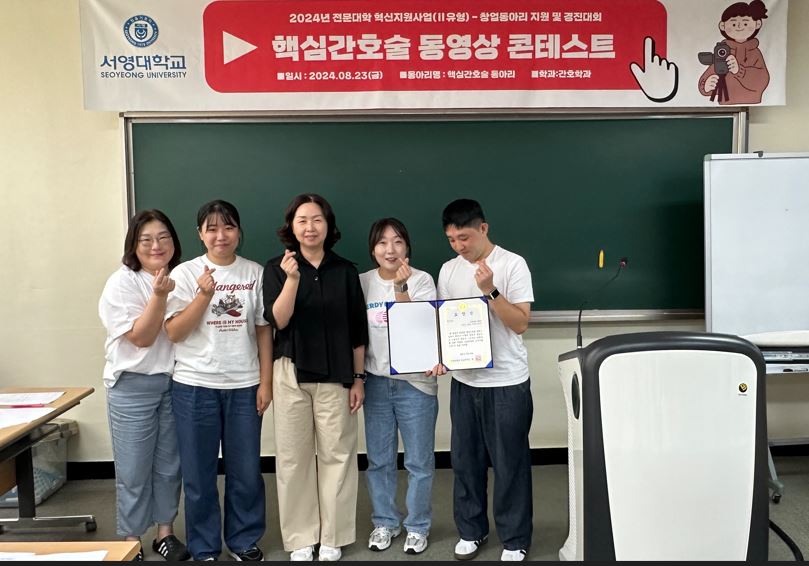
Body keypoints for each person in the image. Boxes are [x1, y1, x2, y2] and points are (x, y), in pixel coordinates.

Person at [263, 193, 368, 562]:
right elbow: (278, 320)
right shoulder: (276, 268)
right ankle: (301, 537)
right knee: (293, 458)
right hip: (290, 371)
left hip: (337, 373)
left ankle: (332, 536)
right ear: (291, 227)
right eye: (302, 220)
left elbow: (358, 330)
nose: (310, 227)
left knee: (338, 455)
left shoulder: (345, 271)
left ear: (328, 225)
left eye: (317, 219)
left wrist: (359, 378)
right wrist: (292, 279)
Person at [164, 200, 272, 561]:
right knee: (199, 474)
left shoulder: (254, 273)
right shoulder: (184, 273)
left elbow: (263, 331)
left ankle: (243, 540)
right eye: (211, 228)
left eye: (228, 227)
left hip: (244, 385)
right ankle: (204, 546)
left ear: (239, 231)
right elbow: (175, 332)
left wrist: (266, 383)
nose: (220, 235)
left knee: (246, 471)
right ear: (200, 234)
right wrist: (204, 296)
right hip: (195, 385)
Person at [435, 199, 534, 562]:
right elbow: (445, 322)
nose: (459, 246)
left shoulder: (512, 264)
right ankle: (471, 531)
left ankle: (515, 538)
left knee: (510, 463)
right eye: (451, 240)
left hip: (506, 382)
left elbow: (520, 323)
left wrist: (490, 290)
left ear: (483, 229)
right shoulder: (448, 270)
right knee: (465, 462)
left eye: (464, 237)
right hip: (465, 382)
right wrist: (442, 357)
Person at [98, 209, 190, 562]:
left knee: (169, 465)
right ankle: (131, 538)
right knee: (134, 468)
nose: (156, 246)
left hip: (174, 382)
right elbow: (142, 337)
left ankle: (165, 533)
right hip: (132, 386)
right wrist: (159, 296)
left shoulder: (182, 276)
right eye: (146, 239)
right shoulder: (121, 283)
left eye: (164, 237)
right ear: (133, 245)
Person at [359, 218, 438, 555]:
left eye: (397, 242)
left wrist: (401, 289)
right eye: (382, 242)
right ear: (373, 248)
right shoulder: (362, 282)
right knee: (379, 460)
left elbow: (417, 330)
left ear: (407, 246)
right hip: (376, 382)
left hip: (415, 384)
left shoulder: (422, 280)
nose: (390, 250)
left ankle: (417, 526)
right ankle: (385, 522)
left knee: (419, 462)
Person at [698, 0, 770, 105]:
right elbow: (711, 74)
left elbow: (762, 79)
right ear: (722, 26)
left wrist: (739, 71)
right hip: (725, 105)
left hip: (752, 103)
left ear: (757, 24)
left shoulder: (754, 52)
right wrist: (706, 86)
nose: (739, 27)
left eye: (745, 23)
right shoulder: (722, 51)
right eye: (734, 23)